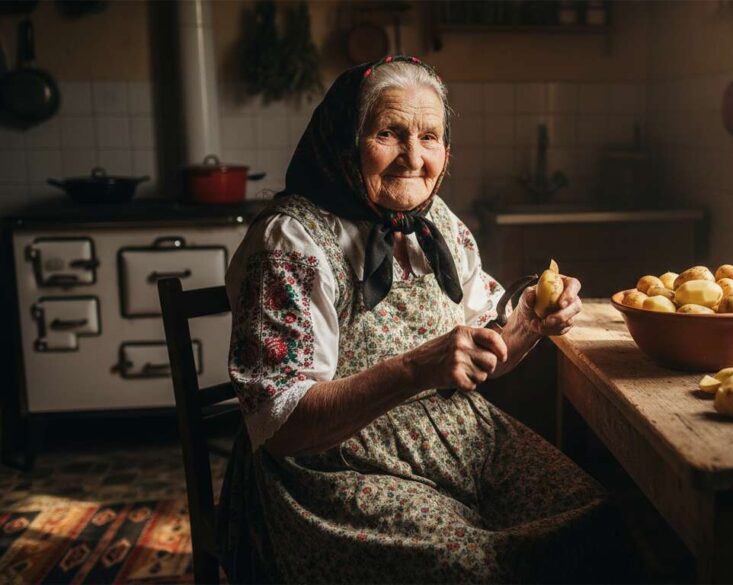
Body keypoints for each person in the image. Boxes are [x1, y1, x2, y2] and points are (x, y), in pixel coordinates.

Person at [217, 55, 625, 583]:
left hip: (462, 440)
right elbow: (282, 426)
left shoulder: (438, 224)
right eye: (388, 133)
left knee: (594, 523)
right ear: (347, 141)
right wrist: (417, 368)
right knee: (471, 567)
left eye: (429, 137)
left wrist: (528, 320)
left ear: (446, 152)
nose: (413, 157)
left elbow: (487, 351)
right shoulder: (290, 241)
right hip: (335, 466)